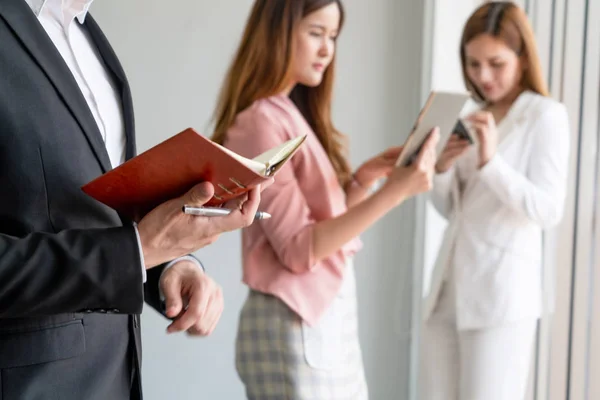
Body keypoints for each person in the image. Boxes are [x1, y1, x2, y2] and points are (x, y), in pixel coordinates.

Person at [0, 1, 265, 399]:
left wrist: (169, 265)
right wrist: (138, 251)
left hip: (117, 377)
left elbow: (102, 216)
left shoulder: (91, 38)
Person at [210, 0, 439, 398]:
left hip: (320, 323)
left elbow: (318, 233)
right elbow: (299, 249)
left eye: (333, 37)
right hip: (295, 323)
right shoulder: (261, 122)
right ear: (278, 32)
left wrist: (363, 182)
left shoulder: (288, 113)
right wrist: (395, 192)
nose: (327, 50)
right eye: (316, 33)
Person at [421, 2, 570, 400]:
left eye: (496, 63)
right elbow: (453, 211)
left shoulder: (545, 116)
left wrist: (490, 162)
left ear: (522, 58)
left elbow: (548, 209)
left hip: (501, 296)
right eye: (473, 64)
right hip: (447, 290)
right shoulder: (472, 113)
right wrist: (442, 169)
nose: (483, 76)